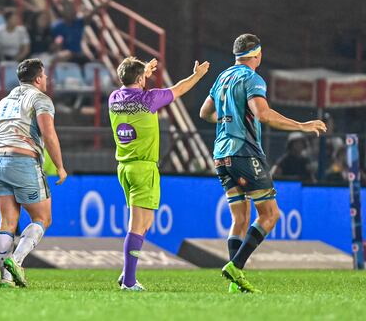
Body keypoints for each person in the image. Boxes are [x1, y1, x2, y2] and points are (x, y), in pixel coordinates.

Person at [199, 33, 327, 293]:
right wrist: (301, 125)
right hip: (244, 152)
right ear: (258, 54)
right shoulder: (252, 78)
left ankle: (235, 283)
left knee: (240, 218)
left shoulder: (223, 76)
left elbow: (204, 113)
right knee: (270, 214)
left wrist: (227, 119)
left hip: (221, 155)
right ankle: (235, 267)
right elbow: (263, 114)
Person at [109, 56, 210, 291]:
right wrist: (198, 76)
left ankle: (127, 273)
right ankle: (129, 282)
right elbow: (179, 88)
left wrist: (143, 71)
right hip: (144, 167)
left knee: (146, 222)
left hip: (124, 166)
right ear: (142, 79)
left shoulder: (114, 98)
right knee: (137, 224)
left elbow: (131, 80)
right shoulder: (149, 99)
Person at [0, 58, 66, 288]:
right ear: (38, 78)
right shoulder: (41, 99)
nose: (47, 80)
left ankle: (5, 279)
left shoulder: (4, 101)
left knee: (7, 221)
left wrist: (1, 156)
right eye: (45, 76)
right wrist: (60, 166)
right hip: (24, 161)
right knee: (42, 218)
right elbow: (48, 133)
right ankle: (16, 260)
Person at [51, 0, 107, 65]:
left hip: (78, 55)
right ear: (63, 12)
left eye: (73, 9)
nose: (73, 12)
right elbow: (53, 45)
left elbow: (89, 15)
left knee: (98, 64)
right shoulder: (57, 26)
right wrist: (57, 44)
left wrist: (98, 7)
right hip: (63, 55)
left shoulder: (78, 22)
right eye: (69, 10)